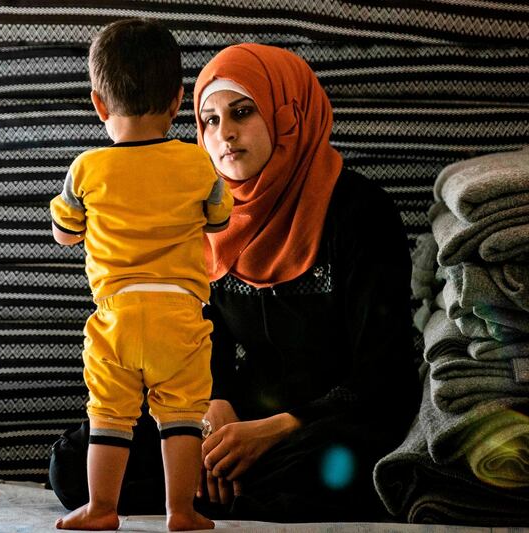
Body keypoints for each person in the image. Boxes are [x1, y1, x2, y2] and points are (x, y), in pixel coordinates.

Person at [49, 42, 420, 523]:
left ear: (287, 115)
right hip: (239, 412)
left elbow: (383, 372)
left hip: (332, 419)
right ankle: (225, 488)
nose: (223, 135)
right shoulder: (206, 213)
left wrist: (277, 430)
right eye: (209, 120)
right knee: (72, 466)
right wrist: (213, 411)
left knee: (351, 467)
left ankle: (222, 489)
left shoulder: (359, 212)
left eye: (242, 113)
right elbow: (205, 336)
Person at [49, 18, 232, 531]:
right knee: (180, 418)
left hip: (118, 316)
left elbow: (65, 232)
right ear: (178, 102)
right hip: (180, 315)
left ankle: (102, 508)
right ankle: (183, 511)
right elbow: (220, 219)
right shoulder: (198, 165)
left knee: (108, 416)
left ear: (99, 104)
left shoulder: (86, 169)